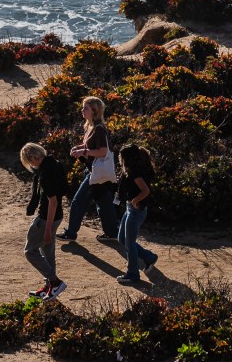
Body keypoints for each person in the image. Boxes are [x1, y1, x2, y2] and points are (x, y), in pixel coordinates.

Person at [57, 96, 119, 242]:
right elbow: (92, 147)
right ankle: (112, 233)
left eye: (86, 108)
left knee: (78, 202)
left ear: (95, 111)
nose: (82, 110)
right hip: (96, 171)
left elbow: (103, 151)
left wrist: (84, 152)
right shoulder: (89, 126)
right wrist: (79, 148)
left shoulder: (98, 129)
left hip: (95, 172)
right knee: (104, 203)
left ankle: (71, 233)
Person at [20, 142, 67, 300]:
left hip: (47, 217)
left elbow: (52, 201)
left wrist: (47, 229)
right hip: (57, 216)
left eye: (29, 161)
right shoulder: (55, 164)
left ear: (32, 158)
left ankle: (55, 282)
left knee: (30, 251)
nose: (31, 165)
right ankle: (50, 288)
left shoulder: (45, 174)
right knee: (47, 253)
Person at [115, 144, 159, 285]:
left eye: (121, 158)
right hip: (130, 209)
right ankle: (149, 257)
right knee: (122, 238)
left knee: (129, 243)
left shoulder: (135, 172)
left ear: (127, 158)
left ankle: (133, 274)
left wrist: (135, 200)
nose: (120, 161)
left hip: (136, 211)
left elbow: (145, 191)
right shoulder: (130, 171)